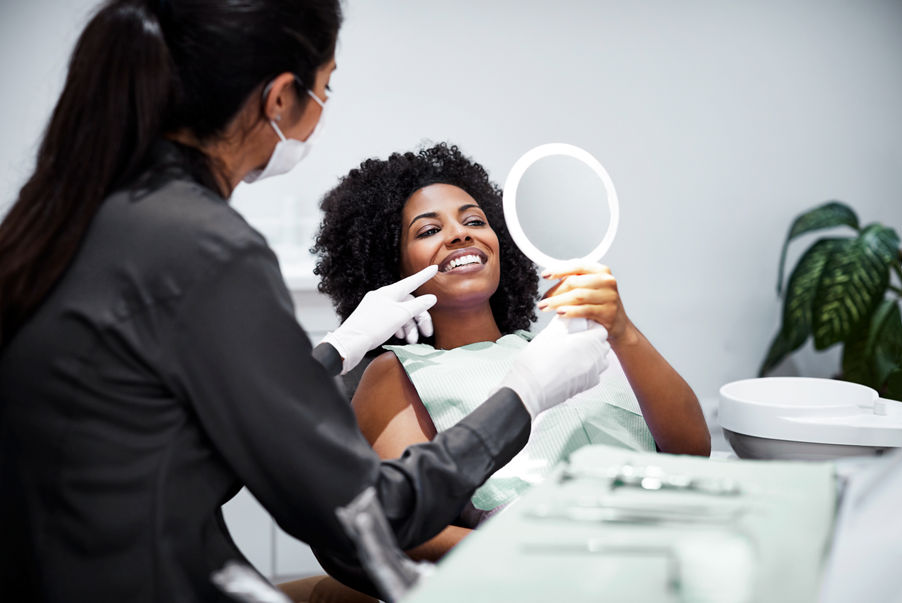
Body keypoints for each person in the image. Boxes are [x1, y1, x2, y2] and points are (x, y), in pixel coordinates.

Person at [0, 2, 613, 601]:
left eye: (472, 220)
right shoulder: (207, 250)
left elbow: (207, 423)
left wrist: (334, 351)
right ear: (279, 98)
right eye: (326, 89)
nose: (457, 236)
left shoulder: (78, 214)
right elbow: (362, 511)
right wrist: (526, 394)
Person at [312, 142, 711, 560]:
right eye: (430, 230)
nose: (460, 234)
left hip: (670, 542)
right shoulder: (398, 372)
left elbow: (691, 450)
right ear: (392, 267)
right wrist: (523, 548)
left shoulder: (567, 348)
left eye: (475, 221)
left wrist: (623, 331)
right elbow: (396, 527)